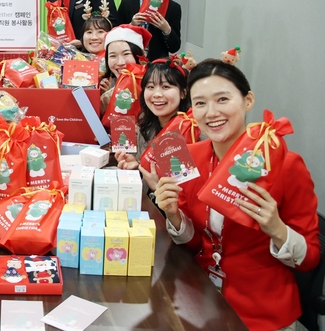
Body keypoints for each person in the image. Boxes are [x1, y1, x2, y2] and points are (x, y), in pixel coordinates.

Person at [154, 59, 320, 330]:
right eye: (200, 103)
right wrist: (173, 215)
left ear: (248, 100)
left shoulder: (285, 165)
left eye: (222, 99)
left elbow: (309, 259)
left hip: (263, 312)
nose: (211, 112)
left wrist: (277, 229)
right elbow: (194, 244)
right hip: (201, 297)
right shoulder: (190, 156)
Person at [116, 58, 196, 197]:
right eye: (150, 87)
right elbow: (146, 181)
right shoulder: (146, 127)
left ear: (183, 93)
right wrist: (137, 166)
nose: (157, 94)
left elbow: (192, 193)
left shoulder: (193, 131)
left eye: (166, 87)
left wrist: (157, 187)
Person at [99, 24, 151, 115]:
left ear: (140, 56)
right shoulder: (106, 98)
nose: (120, 62)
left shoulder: (154, 92)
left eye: (126, 54)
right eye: (113, 56)